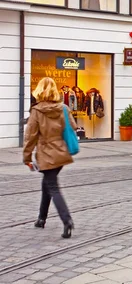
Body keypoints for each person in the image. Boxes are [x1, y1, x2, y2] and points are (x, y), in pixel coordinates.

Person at [23, 77, 76, 239]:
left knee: (52, 186)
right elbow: (73, 126)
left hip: (46, 153)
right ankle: (41, 218)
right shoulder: (64, 108)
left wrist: (27, 157)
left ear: (39, 90)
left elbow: (30, 137)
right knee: (47, 183)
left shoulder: (37, 111)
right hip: (61, 152)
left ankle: (67, 220)